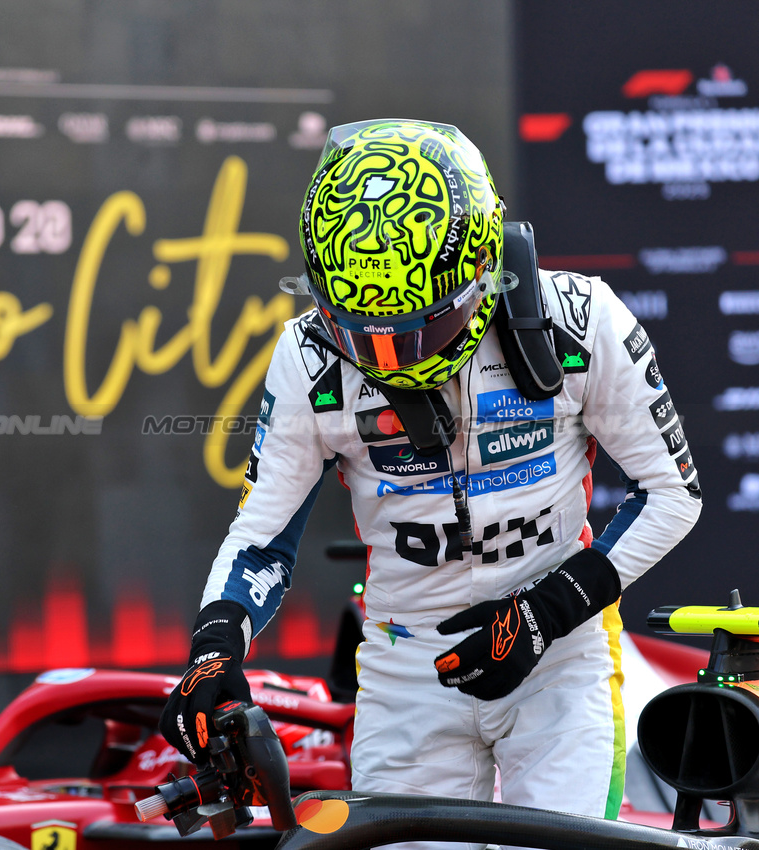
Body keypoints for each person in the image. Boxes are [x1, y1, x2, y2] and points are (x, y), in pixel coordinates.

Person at [159, 119, 701, 837]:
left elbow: (672, 493)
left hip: (559, 657)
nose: (387, 353)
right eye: (360, 329)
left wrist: (541, 616)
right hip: (403, 663)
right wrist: (212, 649)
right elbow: (261, 537)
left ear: (483, 269)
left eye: (416, 328)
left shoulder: (580, 321)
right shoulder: (306, 358)